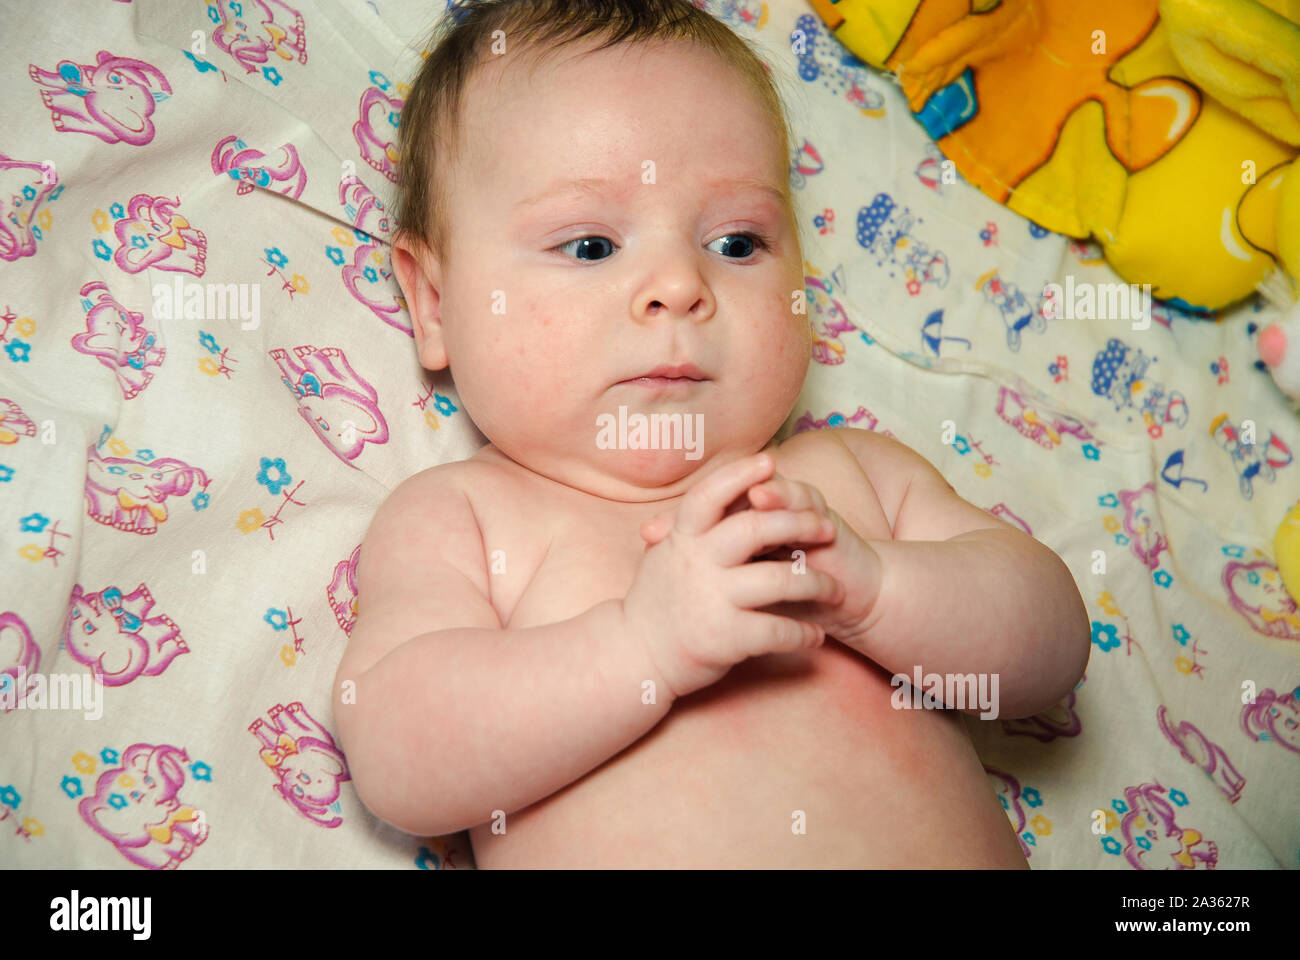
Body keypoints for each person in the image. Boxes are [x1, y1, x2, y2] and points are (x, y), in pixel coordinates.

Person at [331, 0, 1090, 868]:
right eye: (588, 246)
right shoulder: (469, 517)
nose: (679, 287)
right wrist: (642, 645)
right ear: (433, 304)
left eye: (736, 241)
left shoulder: (847, 482)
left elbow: (1052, 650)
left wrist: (879, 592)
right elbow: (398, 755)